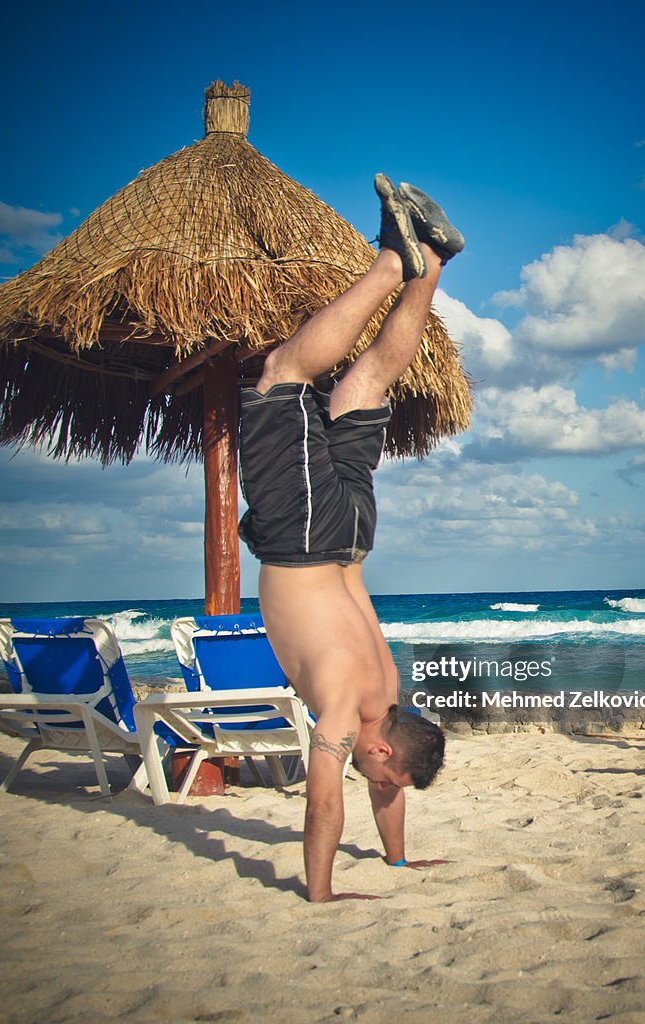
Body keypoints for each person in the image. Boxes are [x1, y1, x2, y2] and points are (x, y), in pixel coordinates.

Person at [238, 174, 464, 902]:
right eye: (382, 770)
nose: (380, 782)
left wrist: (398, 862)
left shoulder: (389, 693)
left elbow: (386, 780)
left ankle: (429, 267)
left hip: (353, 542)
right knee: (280, 376)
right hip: (300, 541)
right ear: (375, 746)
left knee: (364, 384)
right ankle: (395, 266)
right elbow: (325, 800)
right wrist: (321, 891)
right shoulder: (344, 709)